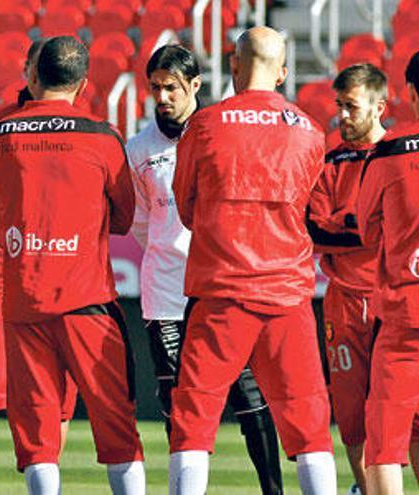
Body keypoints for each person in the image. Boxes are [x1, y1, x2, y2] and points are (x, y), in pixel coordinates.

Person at [170, 27, 336, 494]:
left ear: (234, 65)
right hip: (288, 296)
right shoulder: (311, 132)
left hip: (221, 294)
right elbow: (313, 213)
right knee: (310, 427)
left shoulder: (204, 125)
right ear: (283, 72)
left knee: (193, 420)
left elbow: (187, 209)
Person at [0, 36, 144, 494]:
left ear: (32, 77)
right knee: (118, 430)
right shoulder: (104, 137)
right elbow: (125, 217)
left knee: (37, 438)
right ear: (84, 84)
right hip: (89, 304)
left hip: (24, 305)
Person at [127, 44, 283, 495]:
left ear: (195, 85)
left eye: (171, 87)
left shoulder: (222, 133)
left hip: (223, 287)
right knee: (178, 406)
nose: (162, 97)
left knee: (250, 399)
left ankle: (273, 489)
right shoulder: (138, 147)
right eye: (155, 88)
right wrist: (171, 251)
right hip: (167, 294)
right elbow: (141, 223)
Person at [0, 36, 79, 495]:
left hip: (64, 280)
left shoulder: (80, 130)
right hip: (2, 275)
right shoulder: (2, 128)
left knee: (59, 403)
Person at [305, 63, 389, 495]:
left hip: (392, 299)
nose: (342, 115)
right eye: (339, 106)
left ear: (380, 105)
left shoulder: (401, 157)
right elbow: (314, 227)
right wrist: (364, 224)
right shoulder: (331, 162)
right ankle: (364, 489)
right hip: (342, 302)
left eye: (351, 106)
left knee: (404, 414)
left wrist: (348, 223)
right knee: (352, 414)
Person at [357, 50, 419, 495]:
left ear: (411, 93)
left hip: (403, 324)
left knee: (385, 445)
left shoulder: (389, 154)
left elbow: (366, 227)